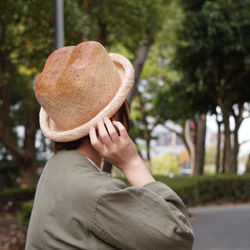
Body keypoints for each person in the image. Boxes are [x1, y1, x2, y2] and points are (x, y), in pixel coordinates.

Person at [25, 41, 194, 250]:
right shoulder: (94, 191)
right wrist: (132, 163)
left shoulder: (56, 169)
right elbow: (178, 236)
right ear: (112, 116)